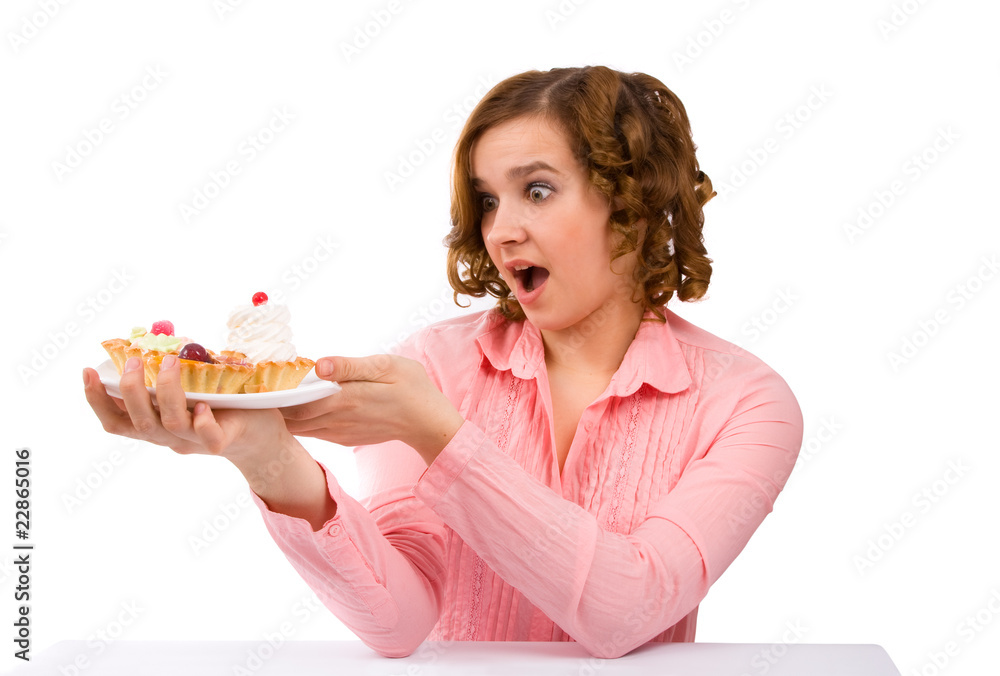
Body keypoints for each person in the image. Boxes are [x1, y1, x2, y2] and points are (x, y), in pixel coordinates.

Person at [83, 65, 803, 659]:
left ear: (634, 204)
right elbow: (399, 623)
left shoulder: (747, 403)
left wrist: (440, 437)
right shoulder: (432, 365)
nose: (501, 230)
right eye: (487, 200)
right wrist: (268, 459)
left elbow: (626, 611)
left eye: (537, 190)